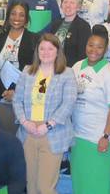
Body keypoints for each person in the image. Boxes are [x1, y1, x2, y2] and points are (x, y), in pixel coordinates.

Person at [13, 33, 77, 194]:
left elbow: (68, 103)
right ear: (37, 51)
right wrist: (25, 122)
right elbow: (16, 100)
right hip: (28, 133)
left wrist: (48, 125)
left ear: (57, 51)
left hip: (52, 134)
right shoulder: (28, 71)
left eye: (50, 48)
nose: (46, 52)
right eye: (42, 48)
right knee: (31, 186)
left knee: (45, 187)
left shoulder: (67, 73)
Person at [70, 28, 110, 194]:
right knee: (80, 182)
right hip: (78, 137)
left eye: (99, 47)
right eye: (91, 45)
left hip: (98, 138)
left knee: (98, 183)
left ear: (106, 49)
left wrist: (106, 136)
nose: (94, 50)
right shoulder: (77, 67)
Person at [0, 0, 38, 134]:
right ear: (8, 16)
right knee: (7, 135)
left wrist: (15, 91)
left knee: (24, 137)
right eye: (13, 14)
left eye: (21, 15)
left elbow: (34, 69)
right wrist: (2, 92)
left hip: (23, 96)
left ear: (27, 19)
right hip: (2, 97)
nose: (17, 18)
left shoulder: (33, 39)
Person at [49, 0, 91, 67]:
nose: (68, 5)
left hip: (71, 69)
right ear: (61, 5)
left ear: (78, 7)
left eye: (72, 3)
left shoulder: (83, 26)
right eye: (65, 2)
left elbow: (82, 55)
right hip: (52, 66)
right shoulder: (55, 23)